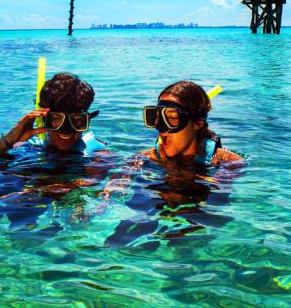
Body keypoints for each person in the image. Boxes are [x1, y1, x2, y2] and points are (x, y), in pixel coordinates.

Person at [0, 73, 112, 229]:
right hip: (23, 189)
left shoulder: (98, 154)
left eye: (77, 122)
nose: (66, 131)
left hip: (53, 202)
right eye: (56, 120)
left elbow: (92, 181)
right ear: (42, 118)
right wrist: (10, 139)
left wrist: (41, 191)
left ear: (87, 120)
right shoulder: (24, 144)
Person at [99, 80, 243, 247]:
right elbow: (113, 188)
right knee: (118, 238)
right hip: (150, 208)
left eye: (172, 119)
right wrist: (103, 201)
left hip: (192, 216)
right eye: (157, 119)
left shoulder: (228, 162)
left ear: (197, 124)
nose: (162, 129)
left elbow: (217, 203)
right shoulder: (142, 159)